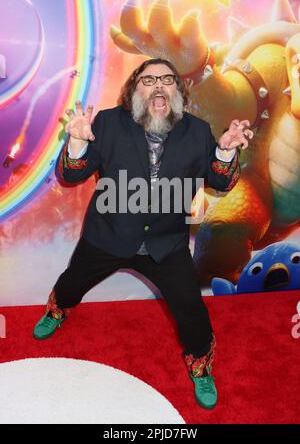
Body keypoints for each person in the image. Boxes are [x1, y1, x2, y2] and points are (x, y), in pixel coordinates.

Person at [33, 58, 253, 410]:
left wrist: (225, 151)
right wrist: (76, 144)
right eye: (148, 80)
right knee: (73, 280)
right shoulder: (106, 122)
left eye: (167, 79)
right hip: (109, 234)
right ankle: (58, 310)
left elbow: (220, 181)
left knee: (192, 311)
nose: (158, 86)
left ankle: (200, 364)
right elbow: (72, 175)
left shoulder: (196, 131)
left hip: (166, 244)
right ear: (134, 90)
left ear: (177, 92)